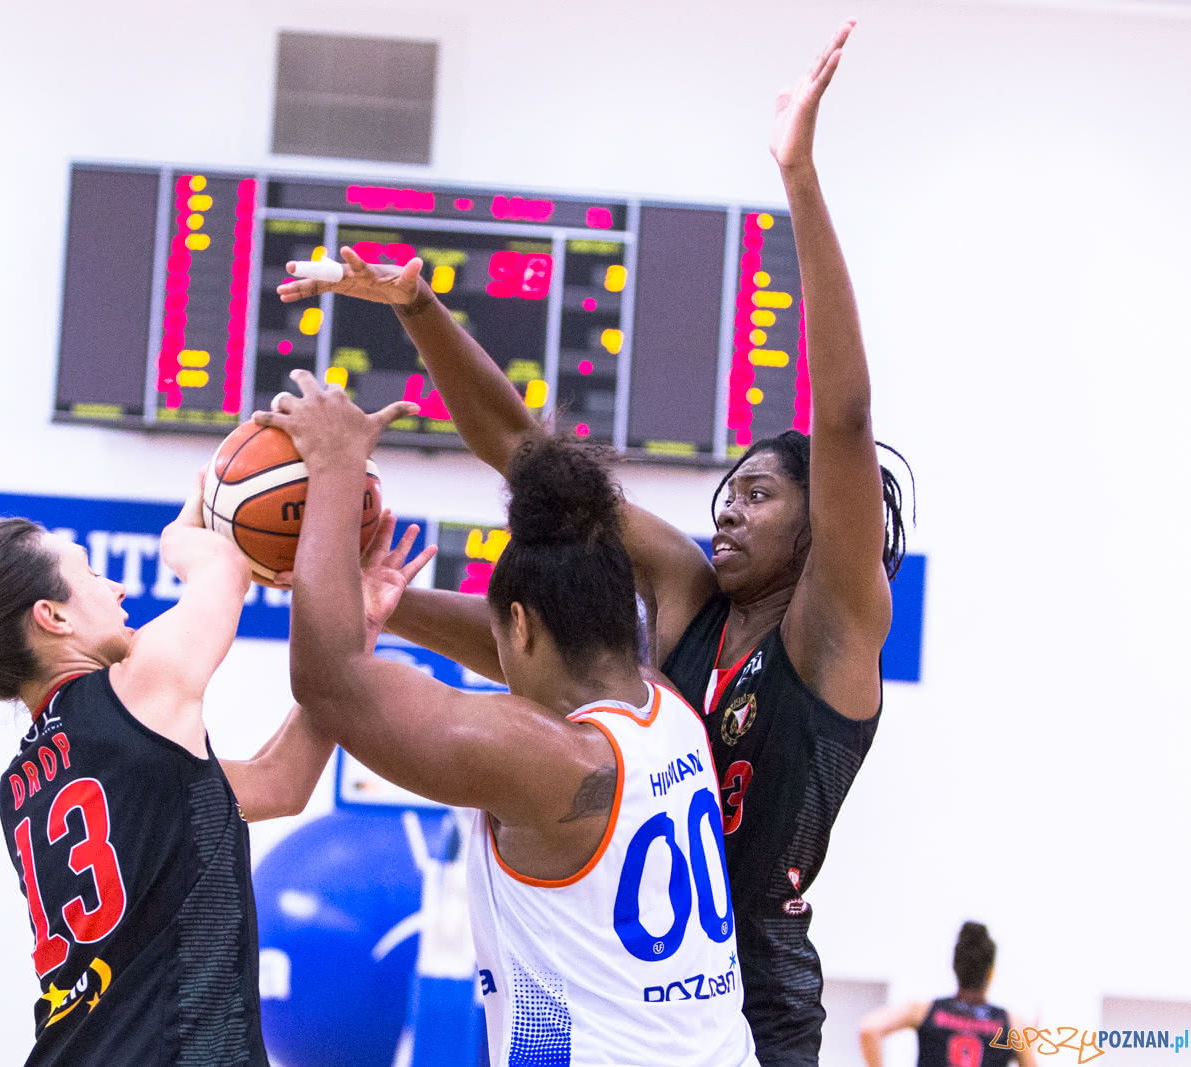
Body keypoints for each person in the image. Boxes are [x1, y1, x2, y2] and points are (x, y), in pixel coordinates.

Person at [274, 21, 907, 1066]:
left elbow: (842, 419)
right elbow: (529, 462)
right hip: (625, 956)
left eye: (756, 494)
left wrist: (797, 175)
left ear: (821, 524)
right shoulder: (688, 602)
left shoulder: (835, 631)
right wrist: (421, 309)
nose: (726, 512)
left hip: (751, 995)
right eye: (726, 493)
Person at [257, 375, 758, 1066]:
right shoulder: (667, 701)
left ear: (519, 623)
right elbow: (523, 653)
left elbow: (329, 681)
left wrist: (337, 467)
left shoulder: (554, 766)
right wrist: (388, 605)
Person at [0, 480, 431, 1066]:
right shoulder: (133, 690)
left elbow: (281, 782)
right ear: (53, 617)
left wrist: (358, 630)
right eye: (92, 574)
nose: (116, 587)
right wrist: (180, 535)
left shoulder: (22, 784)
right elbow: (225, 566)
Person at [857, 923, 1035, 1067]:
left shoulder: (924, 1010)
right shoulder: (1011, 1023)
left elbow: (869, 1029)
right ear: (991, 973)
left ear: (954, 966)